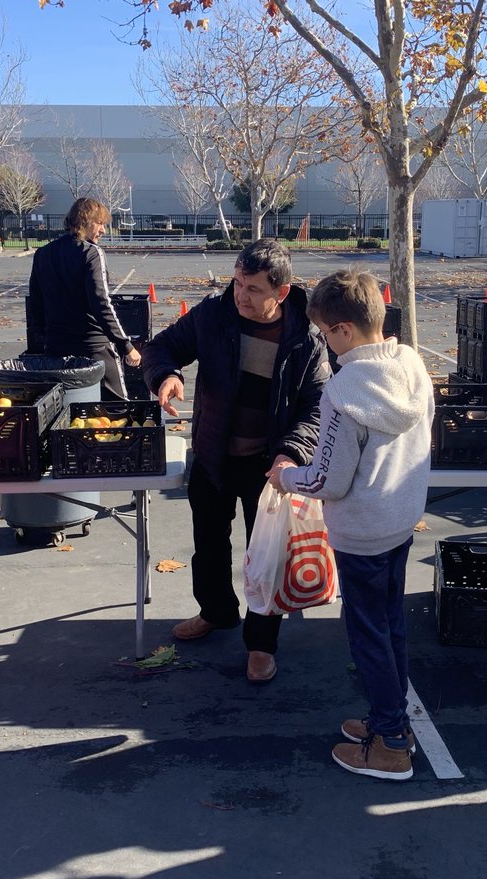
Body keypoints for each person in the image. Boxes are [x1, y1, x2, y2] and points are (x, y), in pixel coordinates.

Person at [269, 268, 432, 780]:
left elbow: (328, 480)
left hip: (361, 534)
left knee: (368, 637)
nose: (324, 343)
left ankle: (390, 743)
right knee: (390, 627)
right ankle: (392, 721)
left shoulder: (343, 391)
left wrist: (286, 476)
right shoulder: (411, 364)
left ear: (342, 329)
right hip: (399, 522)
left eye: (325, 333)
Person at [143, 238, 330, 682]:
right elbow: (160, 348)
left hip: (270, 465)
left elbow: (317, 406)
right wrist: (166, 375)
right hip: (213, 454)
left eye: (253, 289)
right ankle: (216, 612)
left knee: (266, 557)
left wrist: (291, 453)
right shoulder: (214, 315)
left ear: (281, 292)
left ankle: (261, 645)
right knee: (208, 545)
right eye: (237, 283)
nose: (240, 295)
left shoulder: (306, 338)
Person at [27, 197, 141, 400]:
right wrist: (126, 345)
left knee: (64, 407)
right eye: (100, 223)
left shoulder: (43, 254)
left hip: (56, 347)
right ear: (85, 221)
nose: (103, 230)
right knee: (118, 406)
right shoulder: (92, 253)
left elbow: (35, 303)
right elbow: (101, 302)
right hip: (93, 346)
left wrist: (44, 340)